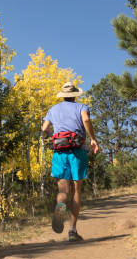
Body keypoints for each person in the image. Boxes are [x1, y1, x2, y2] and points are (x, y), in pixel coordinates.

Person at [41, 82, 99, 241]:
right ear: (75, 95)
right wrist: (93, 139)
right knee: (76, 190)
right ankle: (72, 230)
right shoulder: (82, 107)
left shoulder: (53, 109)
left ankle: (59, 214)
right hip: (77, 152)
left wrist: (54, 135)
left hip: (59, 153)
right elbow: (86, 120)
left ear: (63, 95)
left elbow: (44, 128)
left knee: (63, 191)